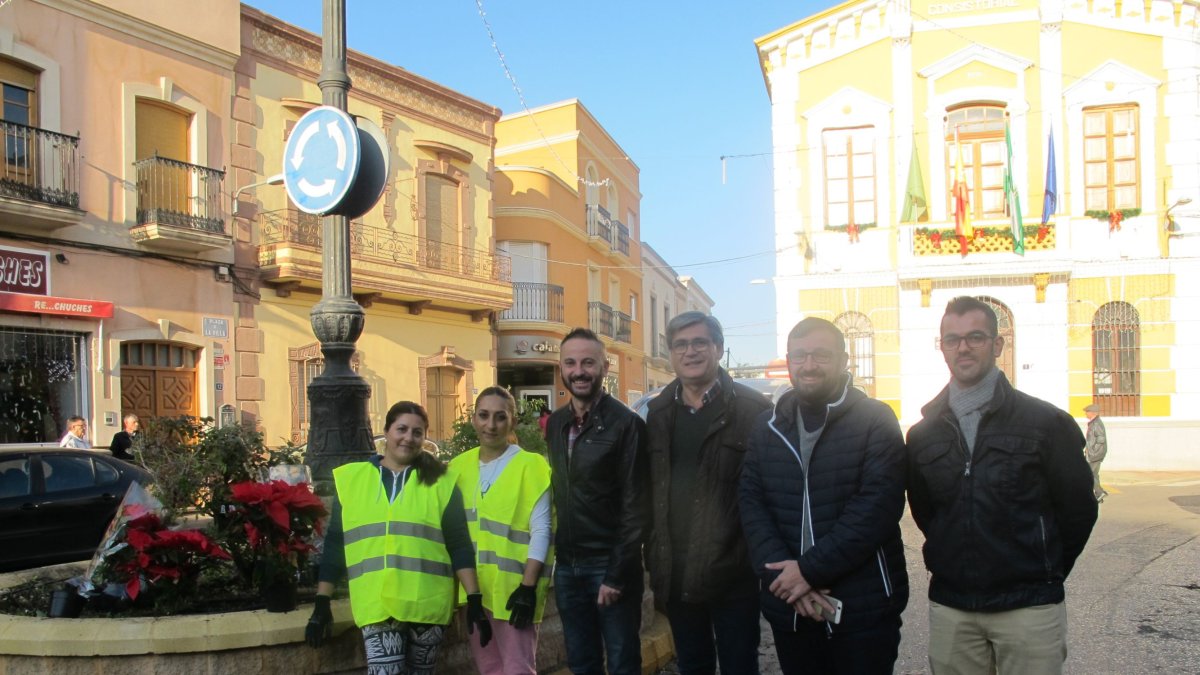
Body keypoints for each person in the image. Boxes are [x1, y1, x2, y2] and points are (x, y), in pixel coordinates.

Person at [907, 297, 1098, 674]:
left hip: (1028, 609)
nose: (963, 347)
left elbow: (1078, 510)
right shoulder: (922, 435)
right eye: (952, 339)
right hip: (953, 608)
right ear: (942, 347)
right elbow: (928, 513)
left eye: (975, 337)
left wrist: (1043, 572)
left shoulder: (1046, 423)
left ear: (997, 345)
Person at [739, 317, 909, 674]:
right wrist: (787, 582)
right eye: (799, 356)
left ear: (844, 361)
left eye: (821, 355)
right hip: (792, 608)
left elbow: (877, 508)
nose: (809, 365)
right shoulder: (767, 427)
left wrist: (808, 571)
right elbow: (752, 505)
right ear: (788, 362)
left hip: (864, 609)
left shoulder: (876, 420)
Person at [306, 401, 492, 673]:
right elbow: (336, 544)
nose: (408, 437)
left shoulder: (442, 482)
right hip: (379, 605)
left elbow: (459, 544)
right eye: (401, 429)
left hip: (427, 604)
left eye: (417, 432)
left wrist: (474, 599)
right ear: (386, 431)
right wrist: (322, 601)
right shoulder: (353, 480)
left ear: (424, 438)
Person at [645, 311, 769, 674]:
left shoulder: (754, 411)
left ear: (718, 348)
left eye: (700, 342)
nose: (690, 351)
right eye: (680, 344)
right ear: (671, 353)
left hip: (734, 575)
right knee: (693, 665)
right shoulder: (658, 412)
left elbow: (768, 494)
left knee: (739, 665)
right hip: (677, 573)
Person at [545, 327, 648, 675]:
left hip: (609, 565)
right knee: (581, 660)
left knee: (622, 661)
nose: (579, 371)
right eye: (570, 363)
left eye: (588, 362)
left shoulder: (627, 424)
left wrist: (616, 575)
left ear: (605, 367)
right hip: (569, 566)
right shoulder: (556, 423)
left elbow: (636, 508)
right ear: (561, 368)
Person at [448, 387, 553, 674]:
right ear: (474, 420)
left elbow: (541, 530)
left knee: (518, 668)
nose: (490, 425)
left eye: (499, 417)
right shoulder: (458, 467)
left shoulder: (530, 466)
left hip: (514, 590)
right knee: (489, 668)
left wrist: (527, 589)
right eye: (483, 416)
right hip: (475, 592)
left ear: (512, 422)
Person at [1084, 403, 1108, 503]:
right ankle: (1099, 495)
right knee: (1094, 474)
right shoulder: (1094, 422)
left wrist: (1093, 451)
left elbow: (1101, 439)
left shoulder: (1096, 424)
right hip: (1095, 453)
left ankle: (1099, 492)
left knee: (1089, 474)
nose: (1086, 414)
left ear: (1092, 413)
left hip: (1095, 454)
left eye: (1087, 412)